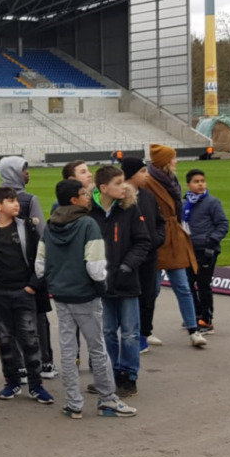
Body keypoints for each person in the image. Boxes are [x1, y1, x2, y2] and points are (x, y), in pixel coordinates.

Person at [38, 180, 136, 419]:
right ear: (74, 200)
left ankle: (73, 402)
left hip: (61, 295)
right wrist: (101, 284)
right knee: (97, 348)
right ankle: (108, 399)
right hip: (85, 295)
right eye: (84, 194)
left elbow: (40, 265)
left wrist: (56, 280)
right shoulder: (87, 224)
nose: (88, 197)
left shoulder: (50, 225)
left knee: (68, 349)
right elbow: (95, 266)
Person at [0, 187, 53, 405]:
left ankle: (36, 385)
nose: (16, 204)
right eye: (10, 200)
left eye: (16, 200)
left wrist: (32, 286)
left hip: (24, 293)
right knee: (4, 340)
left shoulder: (27, 227)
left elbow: (41, 256)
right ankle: (12, 381)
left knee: (30, 339)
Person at [89, 166, 151, 397]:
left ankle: (129, 375)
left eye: (124, 181)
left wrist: (128, 265)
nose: (123, 186)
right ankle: (110, 374)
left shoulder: (130, 209)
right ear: (103, 188)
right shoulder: (89, 212)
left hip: (126, 281)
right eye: (117, 182)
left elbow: (143, 241)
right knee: (106, 331)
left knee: (130, 333)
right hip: (101, 282)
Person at [139, 145, 208, 348]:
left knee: (183, 286)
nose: (176, 161)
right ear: (165, 162)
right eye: (173, 158)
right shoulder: (149, 182)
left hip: (173, 237)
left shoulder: (171, 181)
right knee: (153, 289)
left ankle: (193, 329)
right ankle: (146, 330)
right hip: (159, 238)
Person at [0, 155, 56, 379]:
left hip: (3, 270)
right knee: (38, 316)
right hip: (29, 269)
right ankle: (45, 363)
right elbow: (42, 237)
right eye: (24, 169)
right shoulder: (29, 200)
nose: (28, 173)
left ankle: (18, 367)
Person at [120, 157, 165, 355]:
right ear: (131, 174)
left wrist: (158, 238)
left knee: (149, 294)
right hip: (129, 257)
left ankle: (144, 333)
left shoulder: (148, 196)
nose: (147, 175)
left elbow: (159, 222)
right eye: (143, 172)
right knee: (131, 296)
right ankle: (132, 334)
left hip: (150, 255)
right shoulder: (120, 198)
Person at [184, 169, 230, 334]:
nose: (200, 184)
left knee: (203, 284)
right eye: (196, 181)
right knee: (188, 285)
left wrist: (212, 241)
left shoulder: (212, 202)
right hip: (188, 250)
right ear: (188, 184)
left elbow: (223, 224)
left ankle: (207, 320)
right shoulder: (184, 204)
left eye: (202, 181)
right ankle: (195, 316)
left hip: (206, 249)